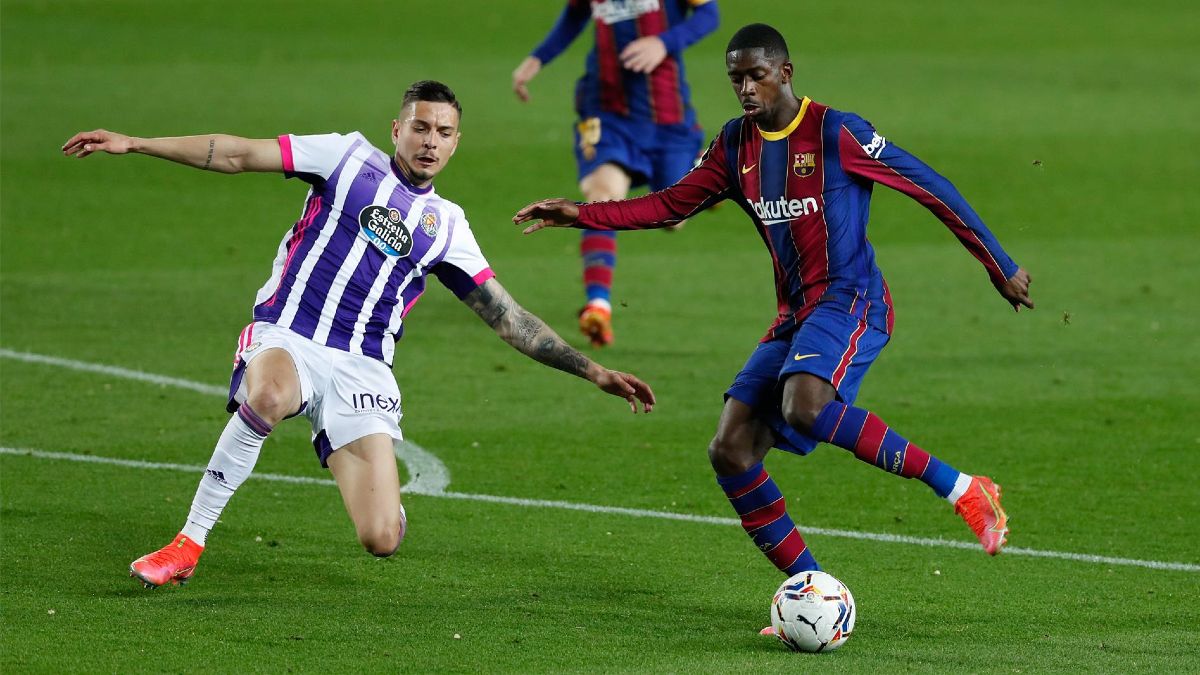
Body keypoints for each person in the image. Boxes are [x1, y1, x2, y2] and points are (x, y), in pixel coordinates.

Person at [62, 80, 656, 589]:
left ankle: (384, 499)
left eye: (444, 133)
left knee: (380, 539)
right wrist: (136, 142)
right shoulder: (345, 158)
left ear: (456, 142)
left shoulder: (448, 226)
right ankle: (188, 544)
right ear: (396, 128)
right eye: (420, 128)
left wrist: (594, 371)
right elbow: (239, 154)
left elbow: (509, 318)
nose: (430, 142)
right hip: (288, 334)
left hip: (362, 369)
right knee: (266, 396)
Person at [515, 24, 1032, 585]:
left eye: (756, 75)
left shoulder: (837, 132)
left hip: (851, 299)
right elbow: (668, 207)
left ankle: (963, 488)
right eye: (735, 78)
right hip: (795, 314)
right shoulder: (735, 145)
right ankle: (811, 588)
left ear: (784, 72)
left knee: (803, 406)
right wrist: (581, 212)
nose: (745, 88)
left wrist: (997, 264)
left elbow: (929, 186)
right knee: (730, 450)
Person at [512, 0, 719, 347]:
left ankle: (703, 166)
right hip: (605, 109)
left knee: (672, 219)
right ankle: (597, 305)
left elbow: (709, 14)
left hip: (665, 114)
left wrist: (663, 42)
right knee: (603, 196)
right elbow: (576, 13)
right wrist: (538, 58)